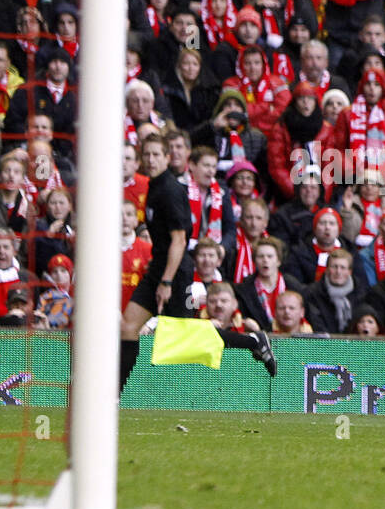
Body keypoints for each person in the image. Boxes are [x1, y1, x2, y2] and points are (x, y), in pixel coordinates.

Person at [119, 134, 278, 390]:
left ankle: (253, 341)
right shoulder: (154, 187)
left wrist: (167, 281)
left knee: (189, 335)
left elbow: (180, 241)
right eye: (146, 154)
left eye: (156, 154)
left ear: (168, 158)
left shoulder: (170, 190)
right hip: (157, 270)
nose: (150, 159)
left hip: (175, 273)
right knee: (127, 327)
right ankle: (116, 394)